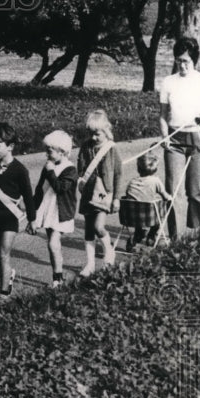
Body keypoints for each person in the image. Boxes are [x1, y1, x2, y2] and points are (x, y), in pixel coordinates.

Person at [159, 36, 200, 237]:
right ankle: (174, 238)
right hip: (174, 141)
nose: (182, 65)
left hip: (197, 139)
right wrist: (164, 136)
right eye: (178, 60)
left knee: (195, 190)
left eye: (186, 61)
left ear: (194, 60)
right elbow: (162, 115)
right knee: (172, 191)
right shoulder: (168, 82)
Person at [0, 123, 36, 301]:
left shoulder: (20, 170)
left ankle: (4, 294)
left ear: (10, 146)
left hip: (9, 220)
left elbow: (28, 196)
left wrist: (32, 219)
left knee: (4, 254)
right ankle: (8, 274)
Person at [76, 110, 123, 276]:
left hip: (104, 195)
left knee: (98, 227)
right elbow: (80, 168)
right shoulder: (85, 147)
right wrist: (81, 179)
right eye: (91, 134)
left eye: (97, 134)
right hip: (88, 193)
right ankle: (90, 264)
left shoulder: (111, 149)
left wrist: (116, 198)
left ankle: (109, 251)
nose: (94, 137)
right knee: (89, 230)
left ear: (106, 131)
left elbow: (118, 174)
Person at [32, 130, 78, 287]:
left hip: (61, 212)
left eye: (50, 151)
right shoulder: (48, 166)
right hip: (48, 210)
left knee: (53, 243)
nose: (47, 154)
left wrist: (51, 171)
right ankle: (56, 277)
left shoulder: (70, 169)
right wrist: (32, 213)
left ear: (62, 151)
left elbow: (60, 188)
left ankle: (59, 277)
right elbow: (40, 188)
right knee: (51, 246)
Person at [122, 152, 174, 251]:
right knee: (157, 217)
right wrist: (170, 198)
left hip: (132, 217)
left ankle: (137, 237)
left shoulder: (132, 182)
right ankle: (151, 236)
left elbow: (129, 195)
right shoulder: (155, 181)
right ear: (155, 169)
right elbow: (165, 196)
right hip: (149, 217)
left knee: (140, 210)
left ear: (138, 168)